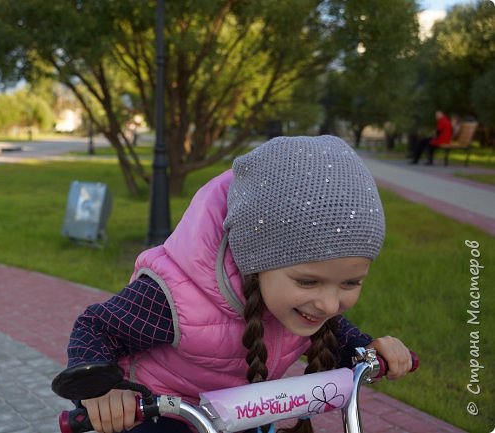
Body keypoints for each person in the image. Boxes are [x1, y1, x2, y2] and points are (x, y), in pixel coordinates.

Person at [65, 136, 414, 433]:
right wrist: (102, 391)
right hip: (161, 415)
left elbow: (336, 335)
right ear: (254, 260)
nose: (328, 305)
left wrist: (371, 352)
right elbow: (95, 327)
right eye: (308, 282)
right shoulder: (173, 296)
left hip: (237, 415)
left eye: (351, 282)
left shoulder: (304, 308)